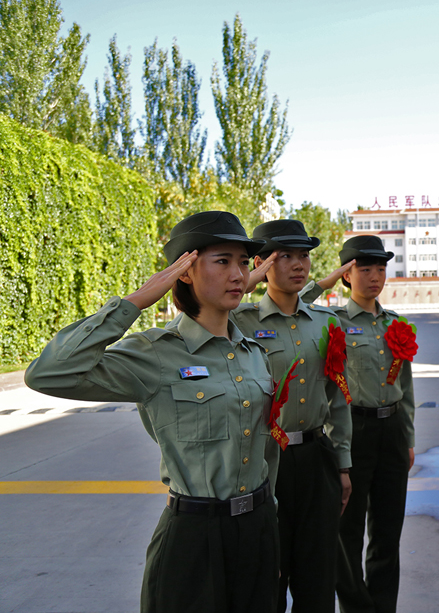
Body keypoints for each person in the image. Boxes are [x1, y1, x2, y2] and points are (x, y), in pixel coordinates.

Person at [24, 211, 280, 613]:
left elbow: (266, 449)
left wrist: (268, 516)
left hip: (259, 528)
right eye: (223, 261)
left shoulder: (254, 354)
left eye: (243, 263)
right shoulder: (155, 353)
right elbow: (49, 374)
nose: (239, 274)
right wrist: (137, 300)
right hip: (195, 535)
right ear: (185, 272)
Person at [233, 219, 353, 613]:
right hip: (266, 462)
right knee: (268, 573)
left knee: (318, 574)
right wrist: (243, 285)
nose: (299, 264)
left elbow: (337, 400)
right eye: (285, 255)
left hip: (317, 458)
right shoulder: (239, 323)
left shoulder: (327, 323)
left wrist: (343, 463)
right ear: (262, 263)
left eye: (304, 255)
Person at [303, 235, 415, 613]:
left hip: (393, 431)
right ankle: (357, 607)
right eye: (364, 269)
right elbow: (290, 304)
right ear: (347, 275)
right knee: (345, 534)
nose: (374, 276)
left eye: (380, 268)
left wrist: (409, 438)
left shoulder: (397, 324)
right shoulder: (330, 321)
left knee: (388, 531)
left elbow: (407, 387)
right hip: (352, 431)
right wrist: (323, 282)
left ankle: (383, 606)